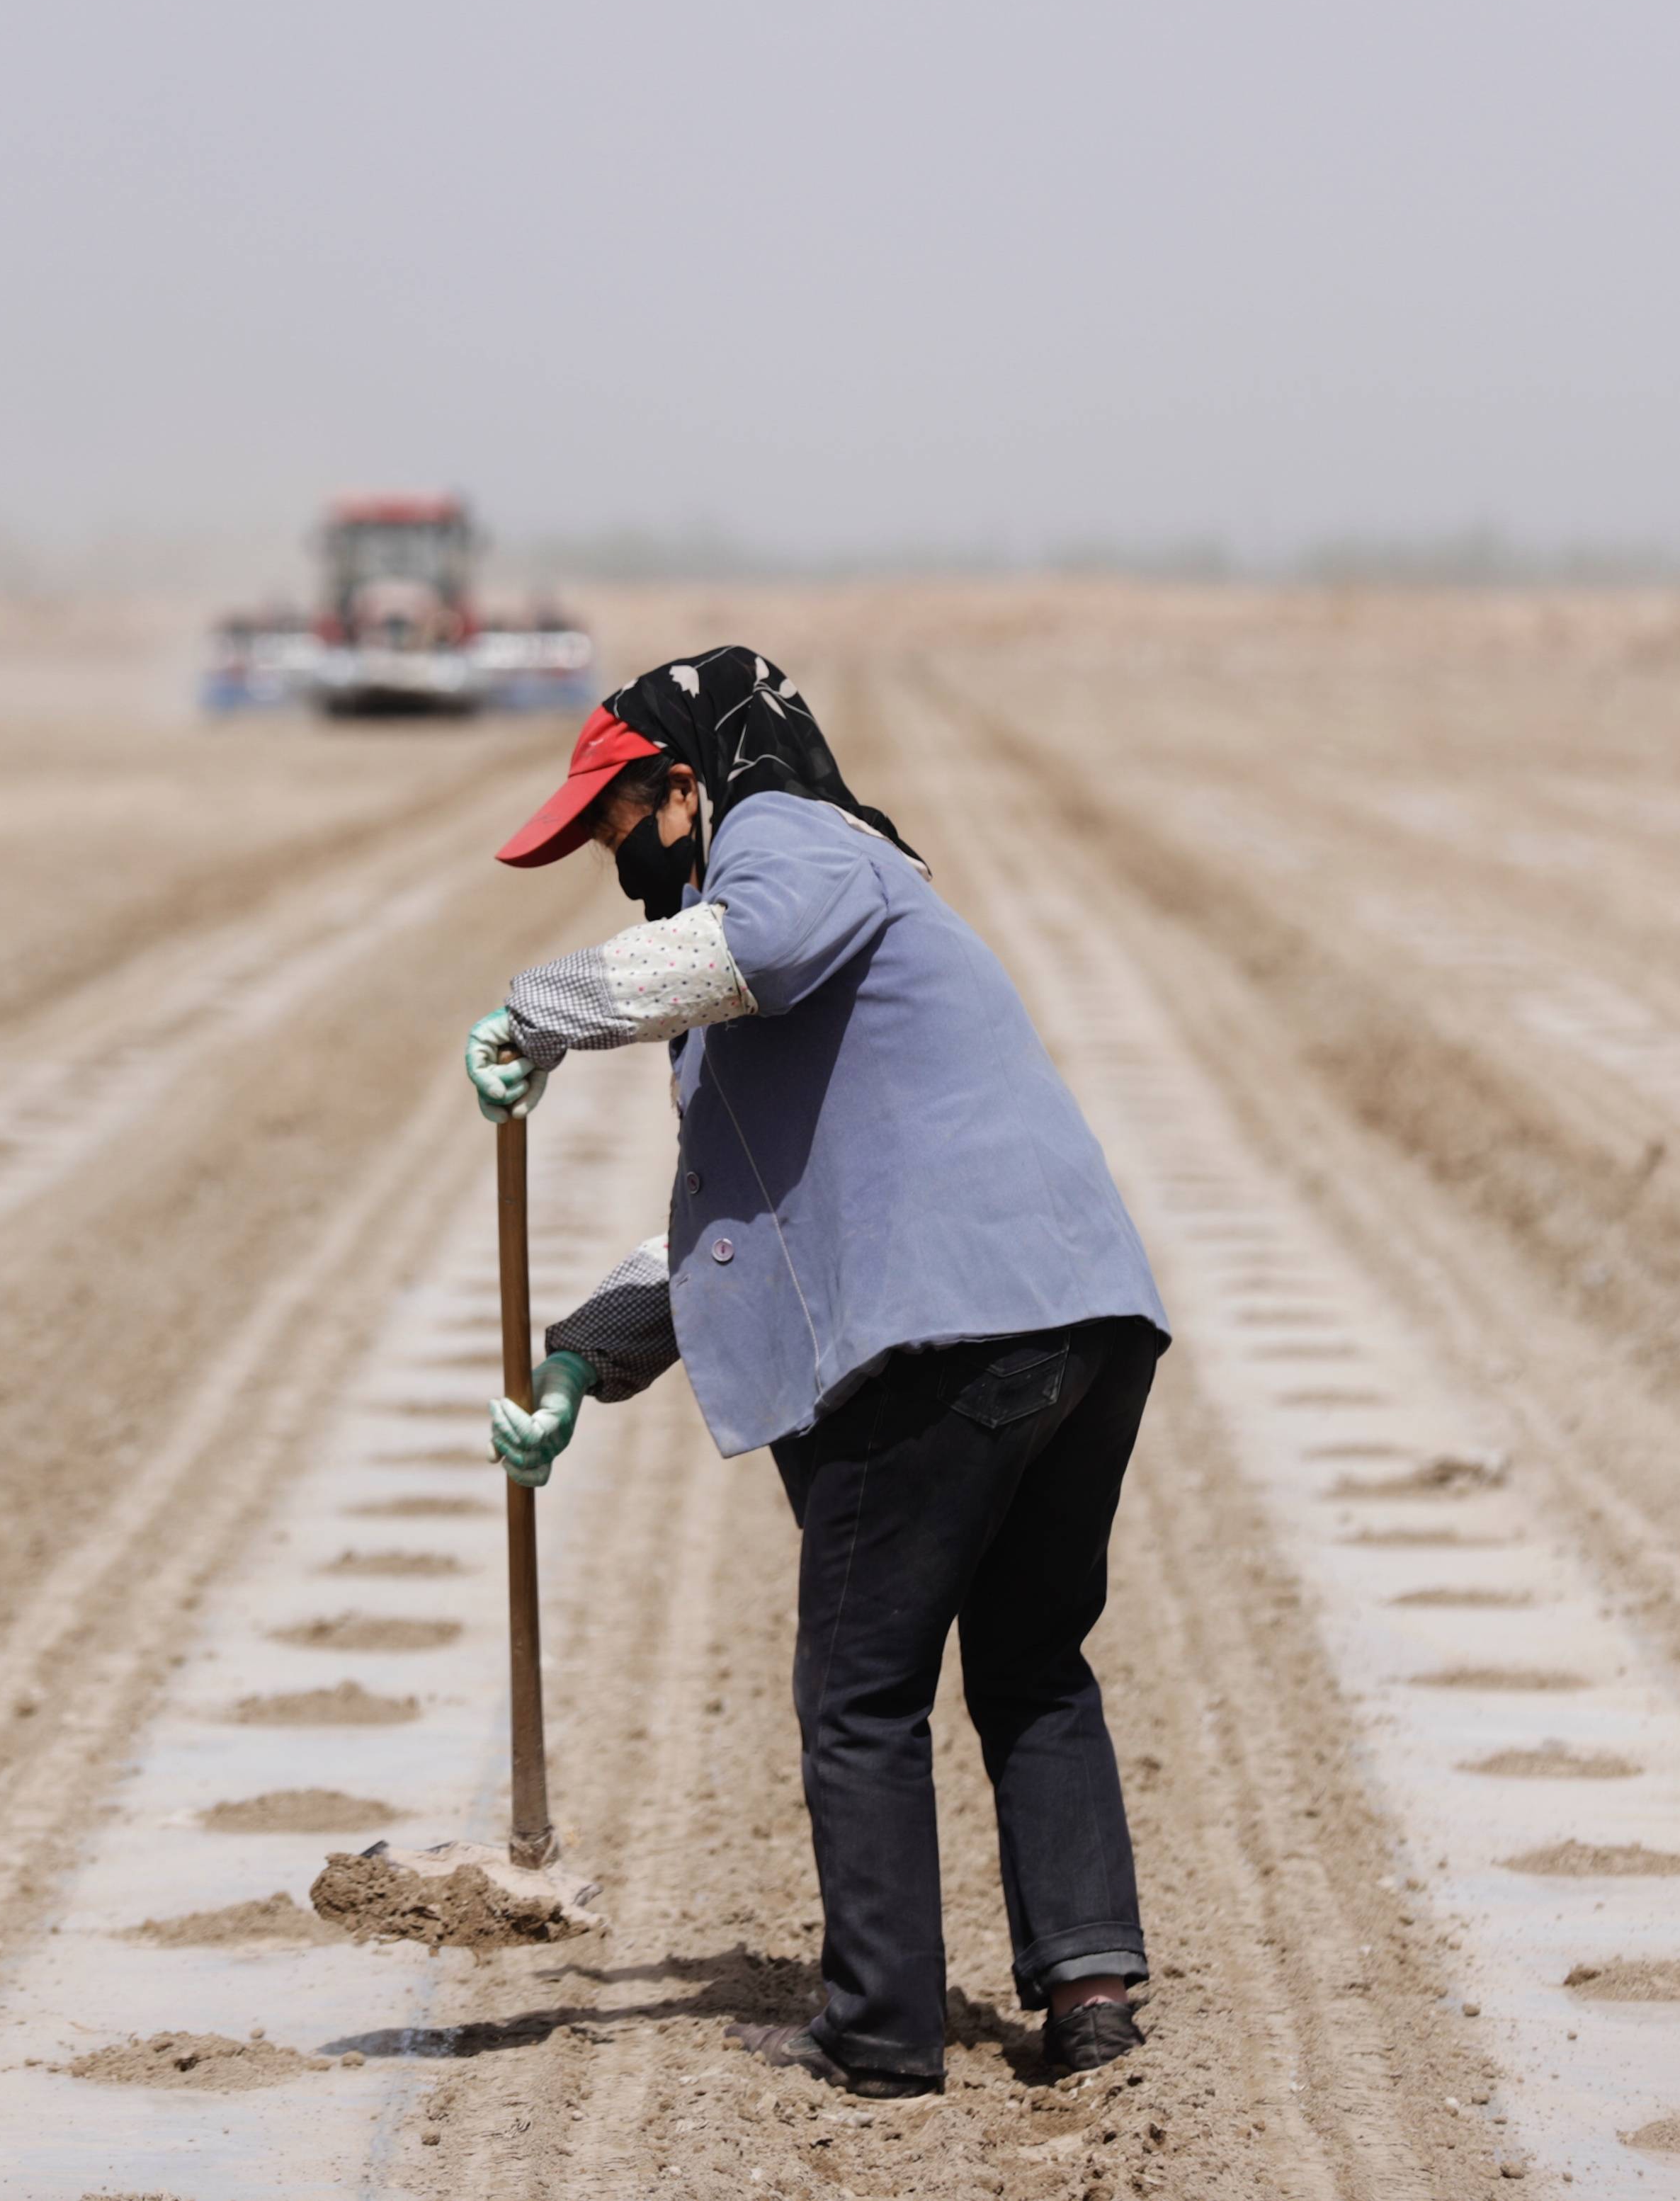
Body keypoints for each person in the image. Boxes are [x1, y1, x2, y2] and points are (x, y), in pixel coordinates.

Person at [461, 648, 1167, 2098]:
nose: (610, 852)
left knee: (861, 1691)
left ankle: (882, 2036)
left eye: (616, 819)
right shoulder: (827, 930)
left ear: (688, 781)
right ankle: (1090, 1996)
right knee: (1031, 1661)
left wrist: (548, 1008)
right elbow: (739, 1231)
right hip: (1080, 1317)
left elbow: (749, 946)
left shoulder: (786, 840)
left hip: (942, 1338)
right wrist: (577, 1367)